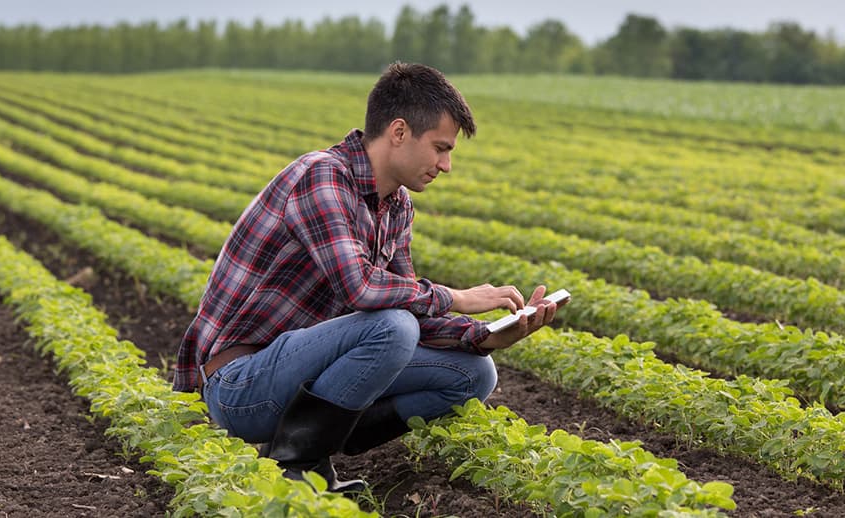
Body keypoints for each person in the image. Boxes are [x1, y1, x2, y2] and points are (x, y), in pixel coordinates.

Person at [173, 62, 561, 493]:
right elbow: (361, 288)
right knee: (391, 327)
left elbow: (411, 305)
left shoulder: (396, 207)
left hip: (303, 375)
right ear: (398, 132)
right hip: (243, 385)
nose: (446, 165)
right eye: (440, 148)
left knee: (475, 374)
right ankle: (298, 467)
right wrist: (456, 296)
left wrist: (488, 336)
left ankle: (327, 434)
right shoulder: (321, 176)